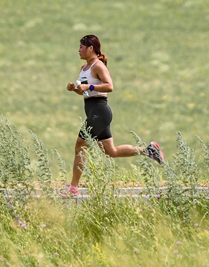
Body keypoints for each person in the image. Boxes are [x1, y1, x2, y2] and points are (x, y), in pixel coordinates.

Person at [65, 34, 163, 196]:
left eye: (82, 46)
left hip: (99, 111)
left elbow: (109, 86)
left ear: (91, 48)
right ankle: (149, 150)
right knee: (111, 152)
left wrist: (87, 86)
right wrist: (75, 89)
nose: (79, 50)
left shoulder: (98, 66)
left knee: (80, 146)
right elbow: (86, 92)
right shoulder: (84, 68)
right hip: (94, 110)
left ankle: (73, 188)